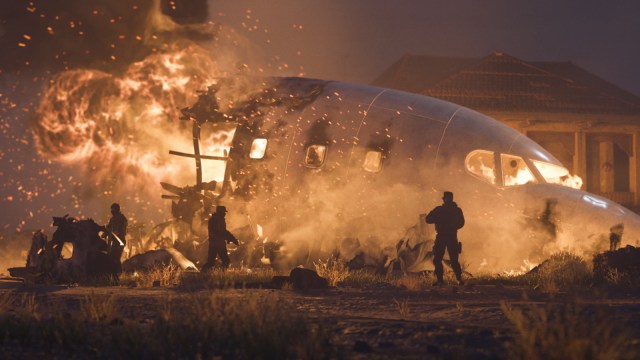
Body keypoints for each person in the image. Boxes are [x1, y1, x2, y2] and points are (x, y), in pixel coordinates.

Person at [426, 191, 465, 286]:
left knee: (450, 259)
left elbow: (461, 223)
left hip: (446, 236)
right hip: (447, 236)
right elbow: (428, 219)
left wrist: (442, 221)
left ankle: (455, 279)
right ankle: (452, 280)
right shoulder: (453, 210)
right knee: (442, 259)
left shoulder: (442, 210)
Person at [202, 205, 239, 271]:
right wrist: (231, 238)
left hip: (217, 243)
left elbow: (223, 231)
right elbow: (220, 232)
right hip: (217, 244)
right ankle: (220, 273)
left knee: (213, 262)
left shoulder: (218, 219)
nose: (225, 214)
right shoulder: (215, 220)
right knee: (224, 261)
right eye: (223, 212)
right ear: (220, 212)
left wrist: (231, 238)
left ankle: (204, 273)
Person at [106, 203, 128, 271]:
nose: (112, 211)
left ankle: (118, 273)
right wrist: (106, 232)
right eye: (111, 209)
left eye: (113, 209)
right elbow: (109, 227)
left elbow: (121, 230)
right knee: (112, 257)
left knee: (116, 257)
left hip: (120, 241)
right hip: (115, 241)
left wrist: (113, 232)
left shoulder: (122, 218)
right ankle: (115, 273)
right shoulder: (113, 219)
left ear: (117, 209)